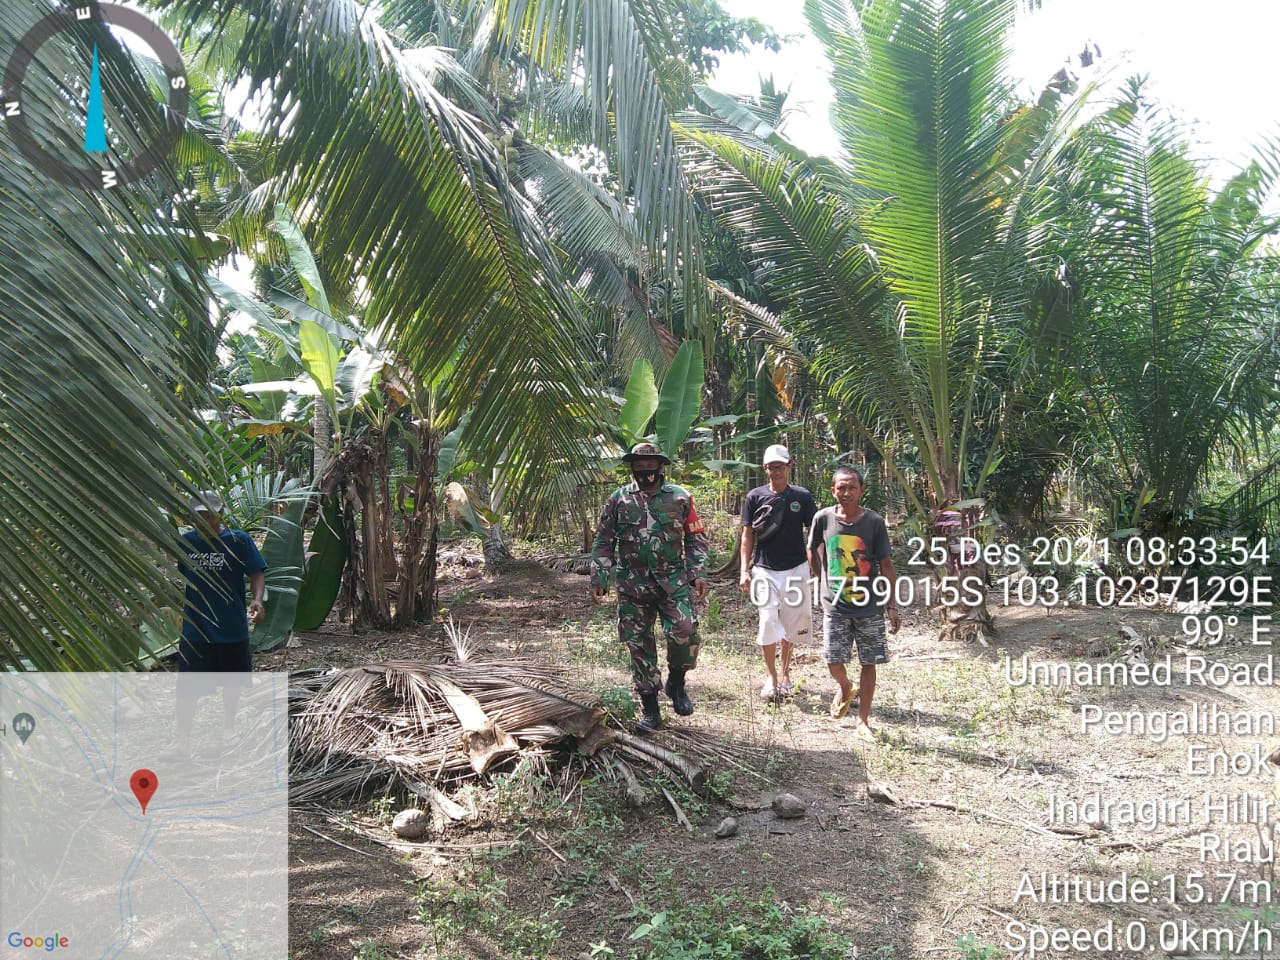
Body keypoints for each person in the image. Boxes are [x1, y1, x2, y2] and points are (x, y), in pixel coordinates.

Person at [590, 443, 709, 732]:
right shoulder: (618, 499)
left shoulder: (680, 498)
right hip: (633, 585)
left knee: (685, 630)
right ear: (632, 467)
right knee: (639, 645)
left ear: (660, 466)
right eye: (639, 465)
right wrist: (600, 576)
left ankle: (677, 683)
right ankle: (651, 710)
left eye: (650, 464)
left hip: (673, 582)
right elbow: (604, 540)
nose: (645, 471)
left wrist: (697, 572)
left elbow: (696, 537)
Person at [807, 465, 900, 742]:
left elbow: (886, 564)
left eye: (851, 487)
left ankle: (863, 721)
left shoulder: (873, 522)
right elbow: (812, 549)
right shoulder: (822, 518)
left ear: (861, 490)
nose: (846, 492)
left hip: (869, 606)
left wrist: (891, 605)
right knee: (833, 660)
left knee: (869, 662)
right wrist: (822, 579)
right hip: (834, 605)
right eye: (840, 488)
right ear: (833, 490)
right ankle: (846, 687)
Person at [175, 491, 267, 756]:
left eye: (210, 516)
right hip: (196, 627)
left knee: (232, 682)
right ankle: (183, 740)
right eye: (200, 517)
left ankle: (228, 728)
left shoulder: (239, 541)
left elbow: (256, 573)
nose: (205, 522)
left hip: (231, 625)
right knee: (187, 686)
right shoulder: (186, 543)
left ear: (221, 515)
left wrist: (258, 600)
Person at [739, 444, 817, 700]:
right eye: (771, 467)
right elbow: (747, 535)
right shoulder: (755, 497)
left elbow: (813, 535)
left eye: (780, 467)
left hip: (796, 568)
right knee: (767, 621)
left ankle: (785, 672)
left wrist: (816, 567)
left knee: (792, 622)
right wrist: (744, 570)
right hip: (764, 569)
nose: (776, 472)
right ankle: (771, 676)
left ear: (789, 466)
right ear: (765, 469)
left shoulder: (802, 497)